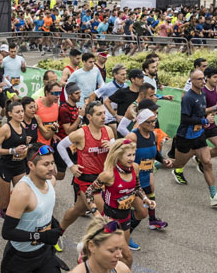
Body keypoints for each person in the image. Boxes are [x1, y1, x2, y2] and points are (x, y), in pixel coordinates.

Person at [87, 139, 153, 265]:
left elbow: (137, 188)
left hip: (125, 218)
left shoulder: (135, 168)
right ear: (118, 155)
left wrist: (146, 200)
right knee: (118, 256)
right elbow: (89, 192)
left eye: (133, 154)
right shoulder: (108, 174)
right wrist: (95, 212)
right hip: (110, 220)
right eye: (128, 155)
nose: (132, 158)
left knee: (123, 256)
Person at [170, 69, 217, 206]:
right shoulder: (188, 97)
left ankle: (214, 195)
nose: (203, 81)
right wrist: (204, 121)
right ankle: (156, 163)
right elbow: (185, 119)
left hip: (199, 135)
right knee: (177, 164)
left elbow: (200, 111)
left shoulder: (203, 93)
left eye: (203, 78)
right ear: (191, 81)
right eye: (199, 79)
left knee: (207, 163)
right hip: (185, 136)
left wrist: (212, 110)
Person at [0, 143, 62, 273]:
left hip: (44, 253)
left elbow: (41, 209)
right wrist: (41, 236)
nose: (51, 168)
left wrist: (52, 222)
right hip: (20, 257)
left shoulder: (51, 182)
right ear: (31, 165)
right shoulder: (23, 192)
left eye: (52, 163)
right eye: (46, 164)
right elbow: (7, 232)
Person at [58, 102, 111, 236]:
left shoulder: (108, 131)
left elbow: (115, 152)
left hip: (103, 179)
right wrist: (71, 165)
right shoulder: (81, 133)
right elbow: (60, 146)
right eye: (99, 114)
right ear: (89, 116)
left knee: (77, 210)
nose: (104, 117)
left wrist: (112, 146)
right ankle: (89, 251)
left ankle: (57, 232)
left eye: (104, 113)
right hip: (85, 180)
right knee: (102, 216)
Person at [124, 108, 171, 232]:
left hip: (145, 175)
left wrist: (163, 160)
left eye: (154, 121)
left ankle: (151, 221)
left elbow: (154, 152)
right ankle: (124, 234)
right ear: (141, 122)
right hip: (132, 179)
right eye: (149, 122)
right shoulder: (132, 136)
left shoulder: (153, 135)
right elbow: (122, 156)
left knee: (148, 198)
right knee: (140, 211)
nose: (153, 124)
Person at [0, 100, 30, 215]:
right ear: (10, 114)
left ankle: (13, 217)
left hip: (19, 166)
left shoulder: (23, 125)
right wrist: (12, 151)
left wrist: (26, 147)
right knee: (4, 203)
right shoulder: (5, 128)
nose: (21, 114)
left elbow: (22, 145)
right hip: (5, 167)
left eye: (22, 111)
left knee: (21, 197)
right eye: (17, 112)